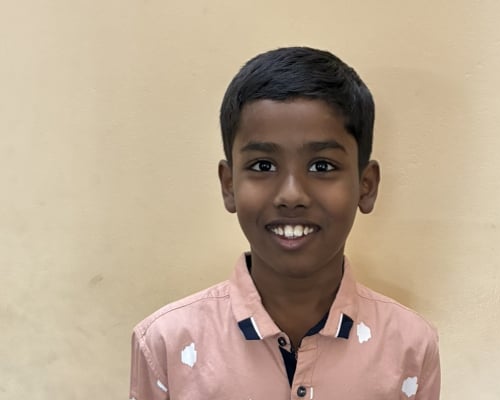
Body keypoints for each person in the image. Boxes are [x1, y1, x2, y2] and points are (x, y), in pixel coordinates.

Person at [129, 46, 441, 400]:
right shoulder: (165, 344)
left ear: (365, 186)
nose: (291, 195)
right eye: (263, 166)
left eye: (322, 166)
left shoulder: (411, 346)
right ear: (229, 186)